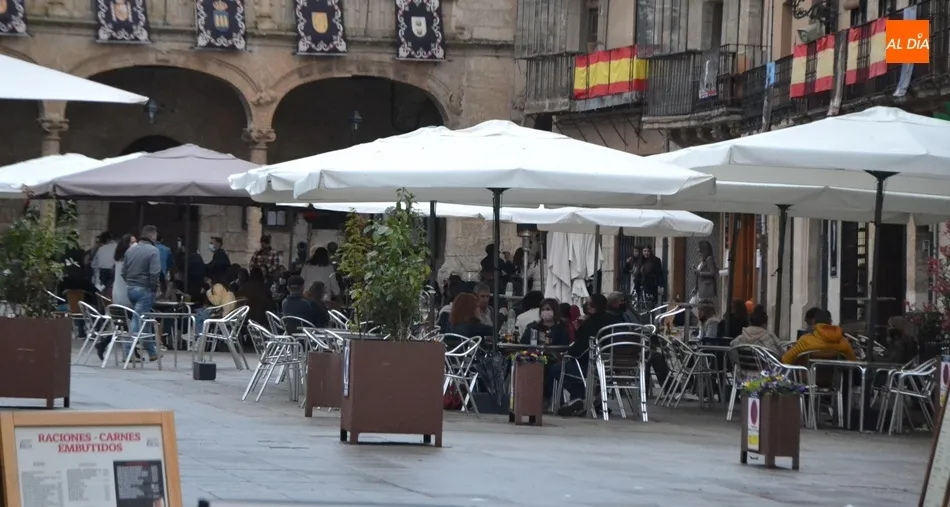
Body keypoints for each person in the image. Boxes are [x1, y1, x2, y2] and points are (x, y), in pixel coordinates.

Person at [548, 294, 617, 415]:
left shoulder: (590, 323)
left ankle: (580, 397)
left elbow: (579, 349)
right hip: (613, 367)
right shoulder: (614, 321)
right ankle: (587, 399)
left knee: (556, 369)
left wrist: (567, 352)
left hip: (591, 367)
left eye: (587, 303)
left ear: (593, 308)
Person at [121, 225, 162, 362]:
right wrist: (153, 288)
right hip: (144, 290)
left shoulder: (130, 251)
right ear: (153, 236)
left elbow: (123, 272)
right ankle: (128, 351)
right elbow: (155, 273)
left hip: (131, 289)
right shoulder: (153, 251)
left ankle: (152, 352)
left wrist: (131, 282)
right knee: (138, 320)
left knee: (145, 320)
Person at [782, 309, 856, 364]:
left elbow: (785, 360)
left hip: (808, 381)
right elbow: (853, 362)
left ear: (813, 322)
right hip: (836, 383)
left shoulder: (805, 340)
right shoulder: (843, 342)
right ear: (830, 322)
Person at [111, 234, 137, 308]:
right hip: (126, 296)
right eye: (132, 243)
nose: (135, 245)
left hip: (117, 293)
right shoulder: (129, 258)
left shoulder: (118, 259)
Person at [694, 240, 718, 309]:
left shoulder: (709, 259)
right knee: (695, 305)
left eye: (699, 249)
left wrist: (700, 273)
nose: (698, 251)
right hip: (701, 288)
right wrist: (696, 287)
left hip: (706, 289)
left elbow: (713, 273)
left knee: (702, 307)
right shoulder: (703, 260)